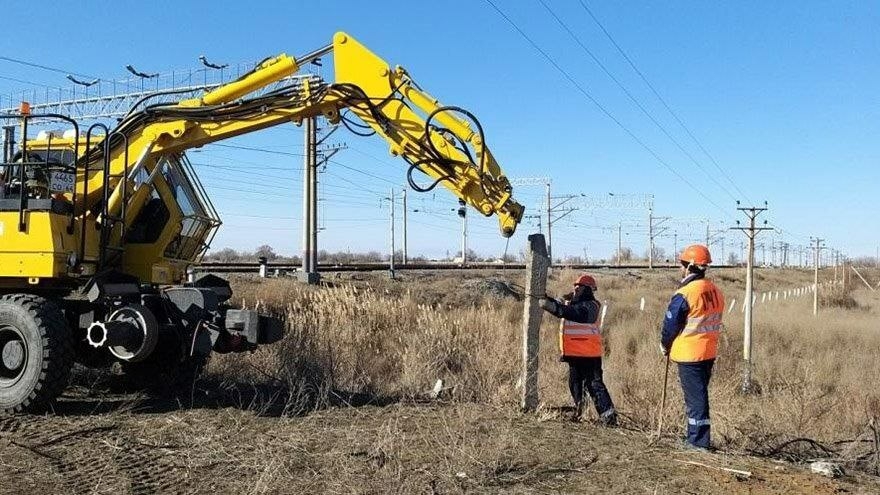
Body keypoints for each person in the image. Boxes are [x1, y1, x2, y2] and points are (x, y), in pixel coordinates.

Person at [660, 244, 724, 451]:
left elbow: (671, 325)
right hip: (708, 351)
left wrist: (664, 344)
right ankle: (696, 438)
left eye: (682, 264)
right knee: (699, 396)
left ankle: (698, 443)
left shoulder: (686, 293)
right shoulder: (715, 290)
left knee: (696, 400)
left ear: (688, 266)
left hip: (689, 353)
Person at [540, 274, 617, 426]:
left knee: (594, 385)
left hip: (589, 354)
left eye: (580, 286)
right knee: (575, 384)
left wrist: (553, 307)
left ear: (588, 289)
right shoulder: (571, 302)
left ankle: (609, 418)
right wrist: (548, 300)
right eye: (575, 286)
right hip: (574, 354)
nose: (576, 288)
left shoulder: (591, 305)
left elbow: (576, 314)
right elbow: (561, 305)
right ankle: (580, 412)